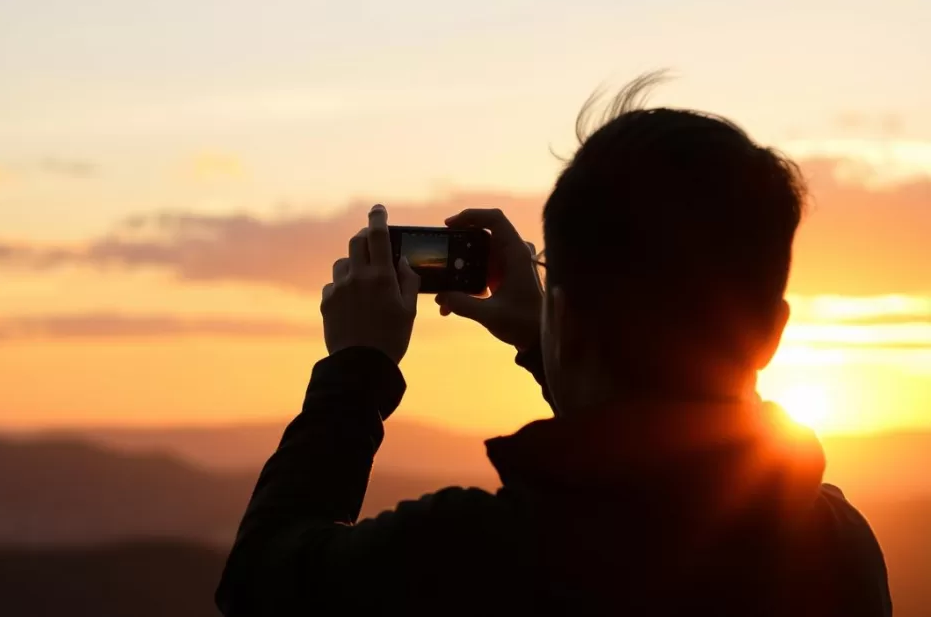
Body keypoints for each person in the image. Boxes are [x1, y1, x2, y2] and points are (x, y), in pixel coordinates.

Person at [214, 76, 892, 616]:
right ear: (772, 332)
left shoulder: (476, 556)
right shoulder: (839, 546)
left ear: (562, 316)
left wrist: (356, 369)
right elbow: (661, 473)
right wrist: (552, 346)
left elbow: (259, 581)